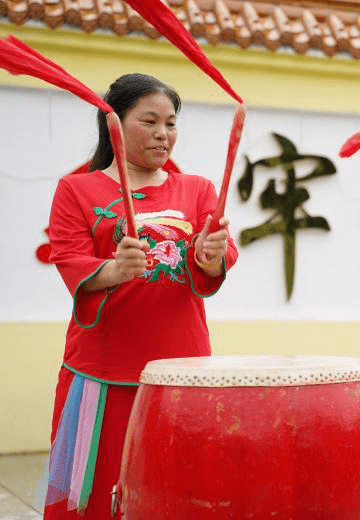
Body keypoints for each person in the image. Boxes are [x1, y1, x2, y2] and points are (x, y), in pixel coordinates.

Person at [43, 73, 238, 519]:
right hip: (101, 375)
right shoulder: (77, 190)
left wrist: (210, 255)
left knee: (178, 495)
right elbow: (68, 257)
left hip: (181, 373)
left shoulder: (197, 189)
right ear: (113, 124)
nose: (162, 134)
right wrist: (115, 270)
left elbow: (219, 252)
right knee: (95, 497)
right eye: (149, 122)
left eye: (171, 123)